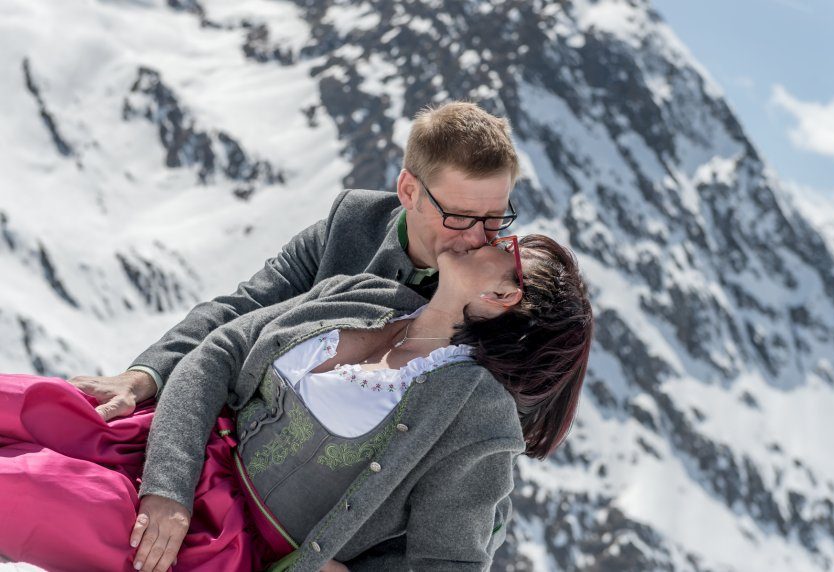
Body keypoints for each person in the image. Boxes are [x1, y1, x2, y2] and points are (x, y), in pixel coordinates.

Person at [0, 233, 593, 572]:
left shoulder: (476, 418)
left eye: (508, 244)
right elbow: (219, 353)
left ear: (503, 294)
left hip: (213, 545)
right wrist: (168, 486)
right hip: (171, 450)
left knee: (24, 491)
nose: (487, 234)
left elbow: (448, 562)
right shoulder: (369, 292)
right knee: (18, 402)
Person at [67, 101, 522, 425]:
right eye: (459, 216)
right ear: (408, 190)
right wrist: (143, 374)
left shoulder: (511, 283)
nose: (479, 237)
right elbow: (239, 310)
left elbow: (488, 441)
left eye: (495, 218)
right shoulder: (350, 228)